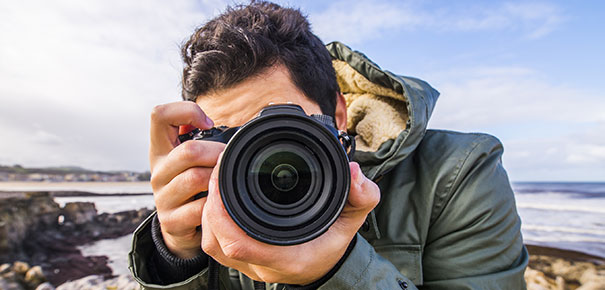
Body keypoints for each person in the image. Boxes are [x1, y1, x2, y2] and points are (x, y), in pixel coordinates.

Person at [129, 1, 528, 289]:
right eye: (231, 140)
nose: (256, 154)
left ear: (338, 113)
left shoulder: (457, 172)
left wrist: (335, 272)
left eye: (281, 125)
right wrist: (177, 256)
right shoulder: (211, 190)